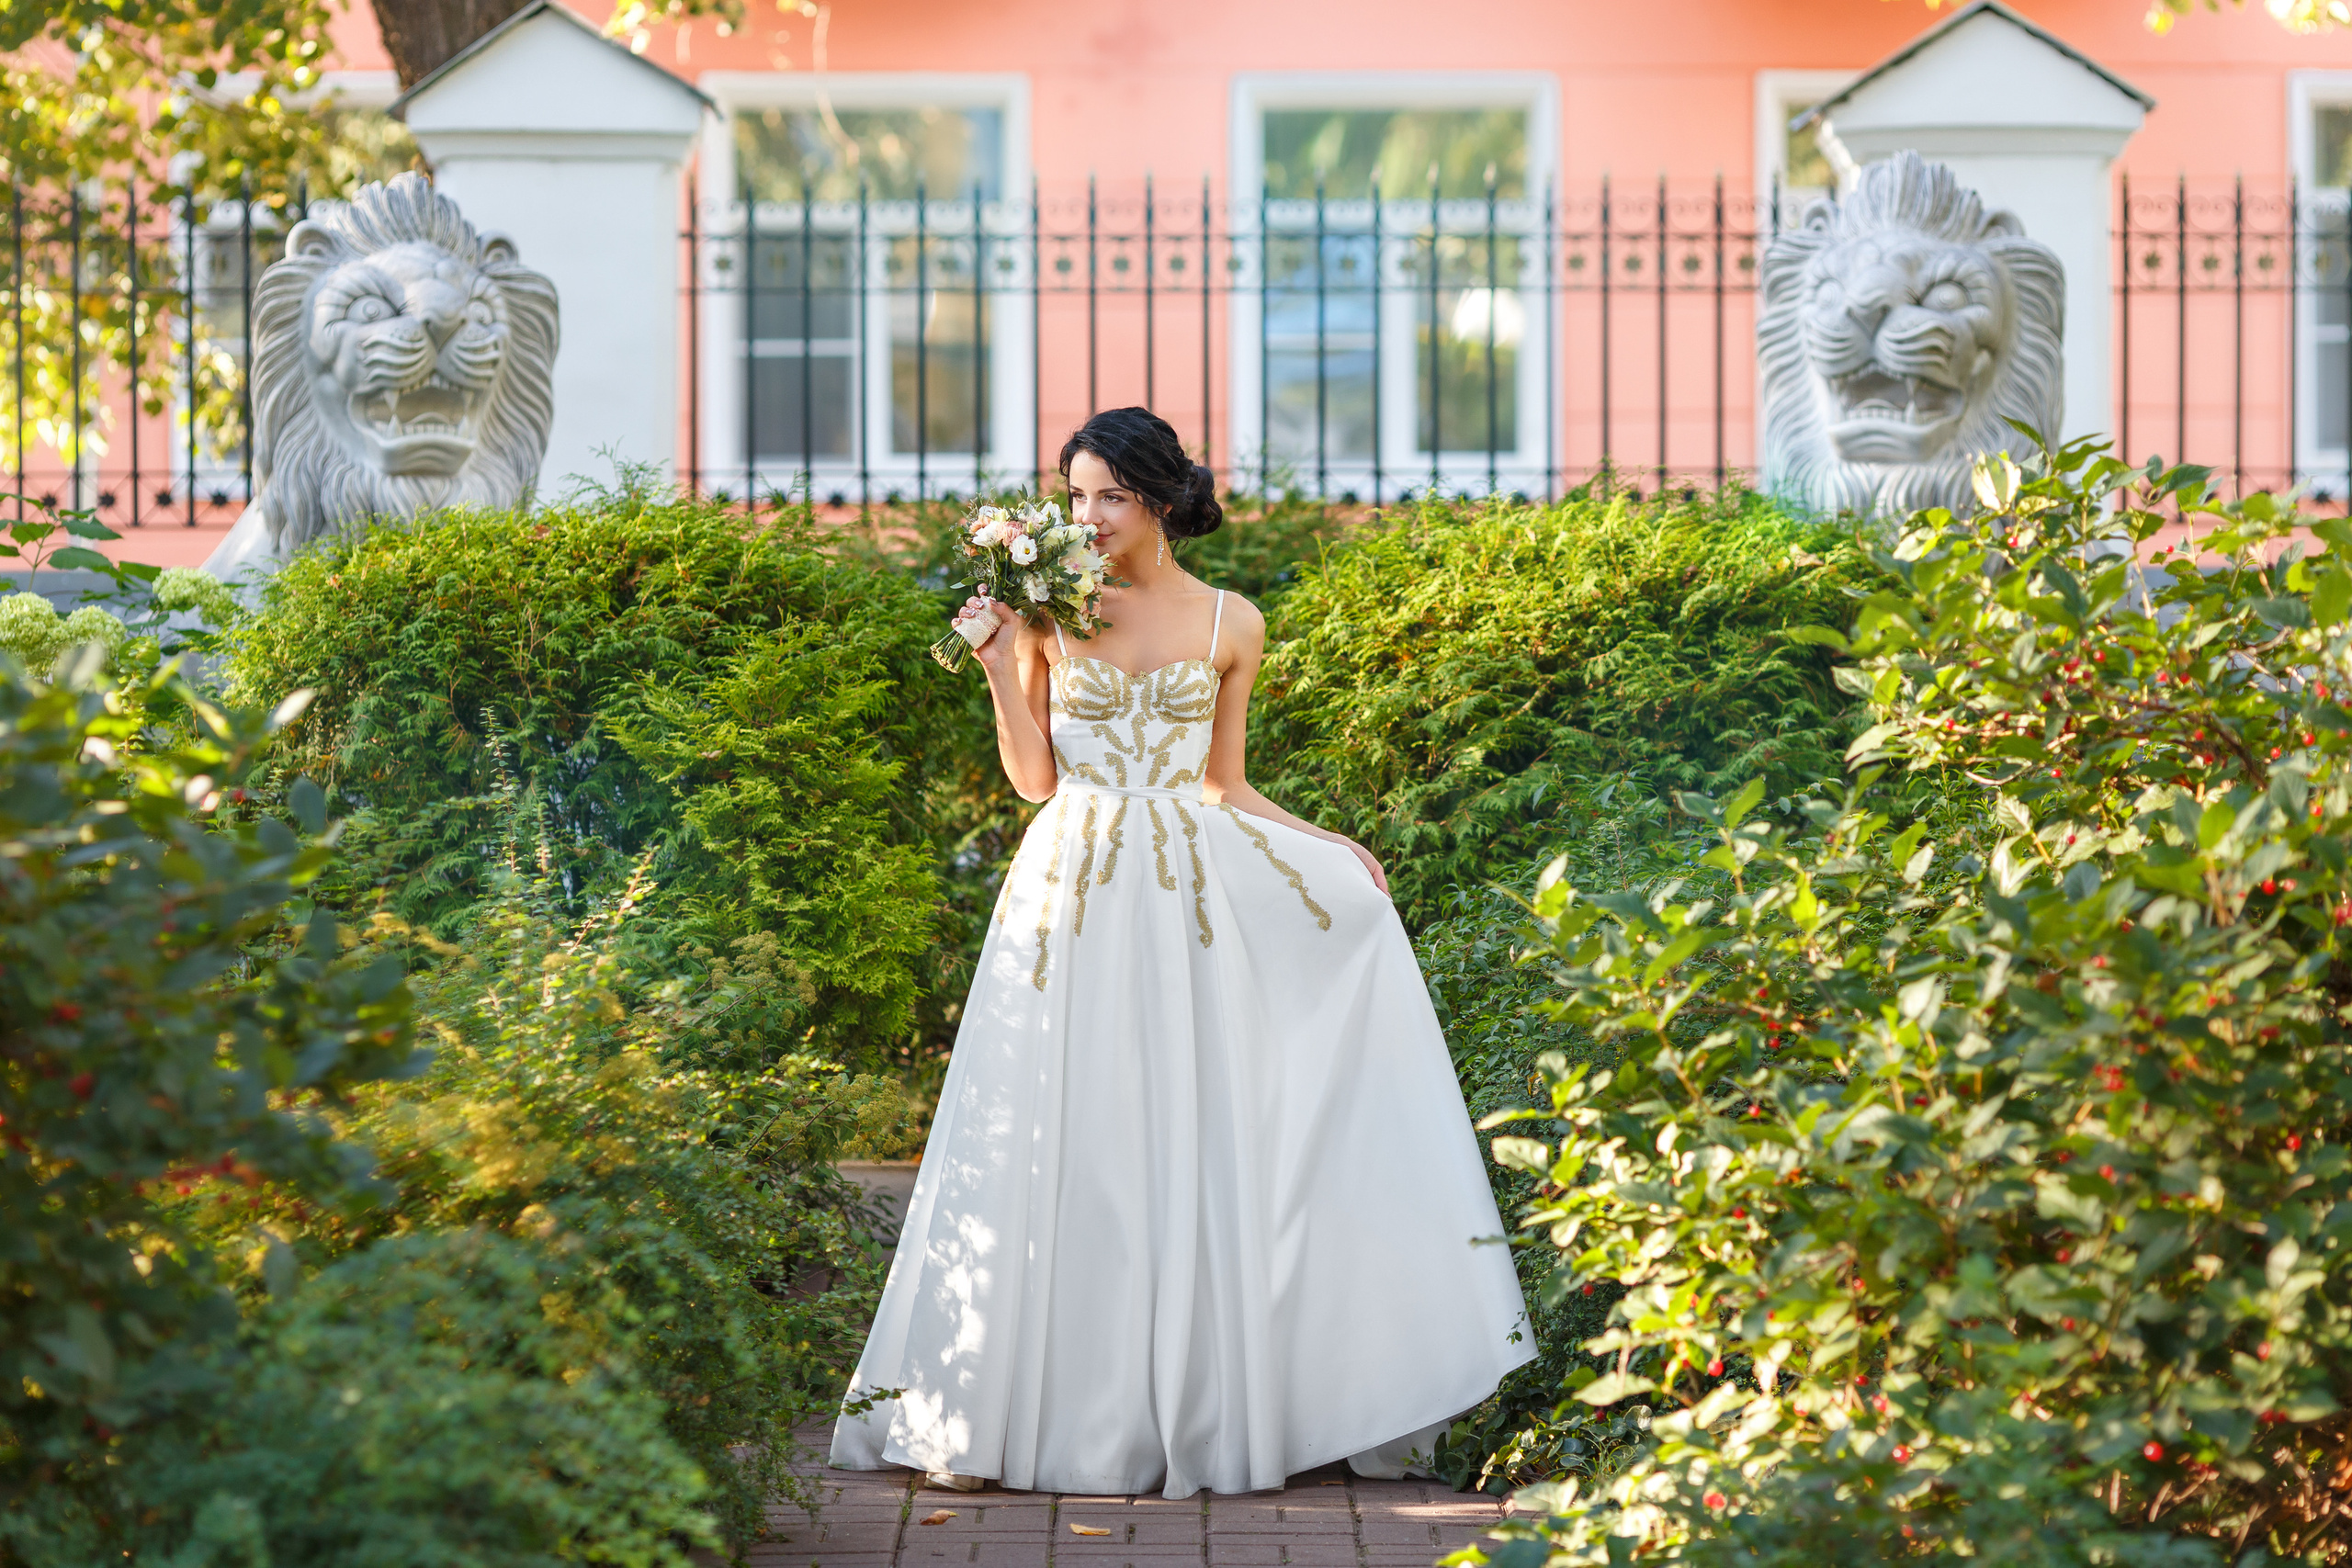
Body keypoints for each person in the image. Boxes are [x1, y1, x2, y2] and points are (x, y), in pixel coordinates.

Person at [830, 407, 1532, 1499]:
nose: (1088, 518)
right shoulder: (1049, 612)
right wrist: (995, 661)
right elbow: (1034, 783)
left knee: (1184, 1133)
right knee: (1053, 1126)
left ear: (1159, 498)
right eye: (1074, 498)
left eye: (1109, 495)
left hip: (1187, 897)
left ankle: (1200, 1404)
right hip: (1069, 887)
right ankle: (997, 1408)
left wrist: (1327, 846)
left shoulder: (1229, 622)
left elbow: (1227, 786)